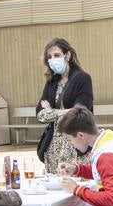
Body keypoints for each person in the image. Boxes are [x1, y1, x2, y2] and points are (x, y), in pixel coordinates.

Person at [35, 37, 94, 171]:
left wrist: (52, 111)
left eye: (57, 55)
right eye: (49, 57)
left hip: (75, 143)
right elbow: (40, 114)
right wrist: (66, 111)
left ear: (67, 55)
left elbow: (81, 110)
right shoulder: (51, 82)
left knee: (76, 184)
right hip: (53, 145)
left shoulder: (82, 78)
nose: (52, 59)